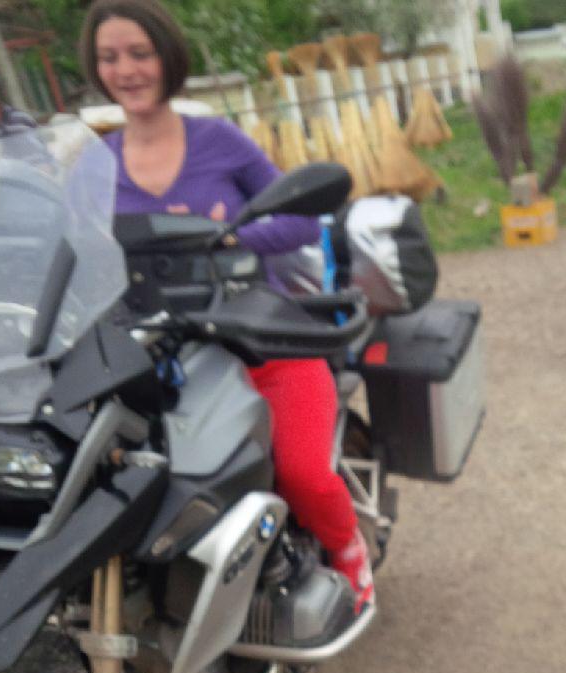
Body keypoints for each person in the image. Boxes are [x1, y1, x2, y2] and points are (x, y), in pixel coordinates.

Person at [78, 0, 374, 612]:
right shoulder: (95, 165)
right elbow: (71, 252)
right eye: (109, 57)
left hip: (257, 343)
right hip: (155, 362)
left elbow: (301, 219)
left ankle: (349, 550)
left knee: (303, 473)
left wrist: (233, 239)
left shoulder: (218, 141)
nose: (126, 70)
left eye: (139, 53)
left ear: (167, 56)